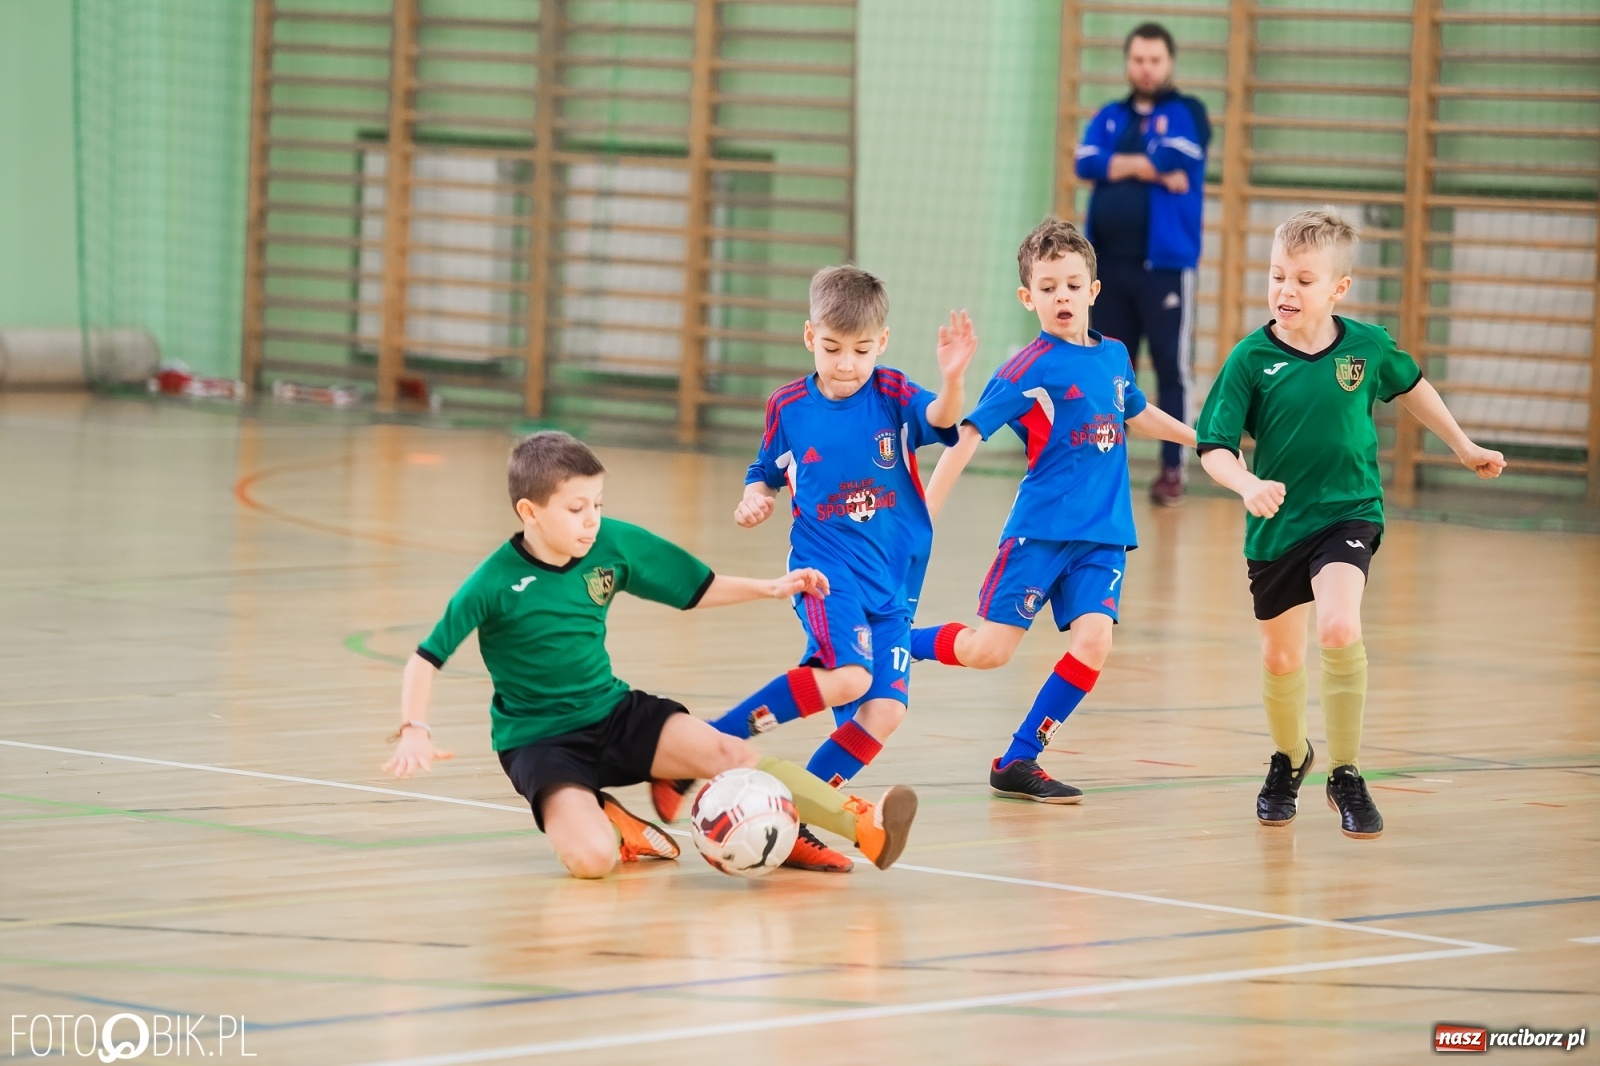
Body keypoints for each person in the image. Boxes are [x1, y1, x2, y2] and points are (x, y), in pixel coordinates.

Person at [382, 430, 920, 878]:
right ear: (530, 511)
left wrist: (771, 587)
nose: (592, 520)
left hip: (615, 715)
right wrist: (414, 729)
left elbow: (695, 587)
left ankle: (863, 823)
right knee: (592, 862)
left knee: (729, 751)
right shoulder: (493, 582)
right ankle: (616, 824)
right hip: (540, 743)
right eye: (576, 508)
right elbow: (426, 658)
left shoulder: (612, 544)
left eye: (597, 505)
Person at [1196, 209, 1506, 839]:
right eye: (1277, 276)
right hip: (1278, 525)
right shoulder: (1250, 359)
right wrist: (1247, 484)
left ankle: (1345, 772)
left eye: (1303, 280)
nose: (1286, 290)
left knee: (1339, 627)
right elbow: (1214, 446)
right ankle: (1290, 757)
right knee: (1281, 657)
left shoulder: (1367, 346)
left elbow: (1413, 386)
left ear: (1338, 288)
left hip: (1349, 511)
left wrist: (1464, 446)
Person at [690, 265, 974, 873]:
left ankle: (793, 818)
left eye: (862, 351)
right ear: (809, 337)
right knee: (846, 678)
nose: (847, 364)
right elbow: (765, 471)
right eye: (832, 348)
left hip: (892, 586)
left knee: (885, 712)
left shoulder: (893, 393)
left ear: (883, 342)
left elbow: (943, 421)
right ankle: (712, 740)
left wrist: (952, 379)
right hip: (824, 572)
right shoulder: (789, 406)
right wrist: (754, 499)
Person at [911, 218, 1197, 802]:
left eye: (1071, 285)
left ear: (1093, 290)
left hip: (1103, 536)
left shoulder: (1114, 355)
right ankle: (893, 641)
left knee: (1094, 642)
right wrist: (924, 511)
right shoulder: (1027, 369)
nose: (1061, 296)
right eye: (1047, 287)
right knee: (988, 652)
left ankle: (1019, 758)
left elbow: (1137, 413)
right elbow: (966, 436)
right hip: (1039, 534)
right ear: (1028, 298)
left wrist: (1203, 440)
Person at [1074, 21, 1211, 506]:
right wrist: (1148, 168)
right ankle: (1105, 470)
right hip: (1108, 268)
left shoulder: (1188, 112)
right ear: (1128, 63)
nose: (1146, 68)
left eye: (1155, 60)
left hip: (1164, 268)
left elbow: (1178, 156)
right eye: (1138, 60)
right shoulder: (1110, 115)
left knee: (1171, 369)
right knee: (1110, 369)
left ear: (1169, 63)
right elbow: (1086, 161)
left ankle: (1173, 470)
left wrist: (1120, 164)